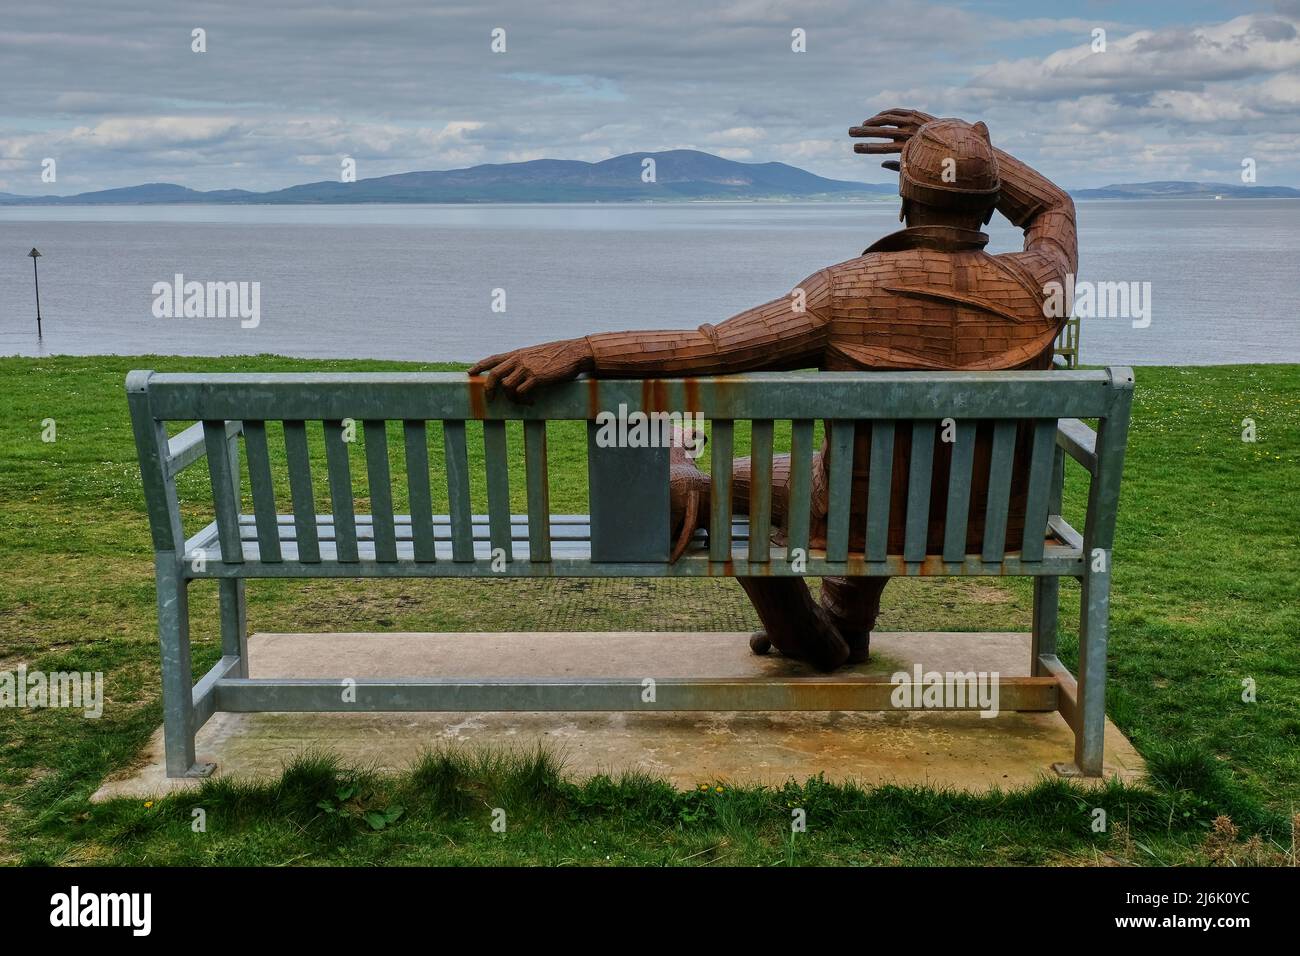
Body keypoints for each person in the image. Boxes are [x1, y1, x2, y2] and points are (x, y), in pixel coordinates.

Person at [470, 109, 1076, 671]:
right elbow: (1054, 209)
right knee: (868, 480)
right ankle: (845, 625)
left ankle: (807, 634)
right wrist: (973, 154)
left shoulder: (843, 290)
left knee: (731, 487)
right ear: (992, 206)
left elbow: (709, 346)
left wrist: (584, 349)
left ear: (902, 202)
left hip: (859, 516)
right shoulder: (1043, 286)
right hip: (997, 521)